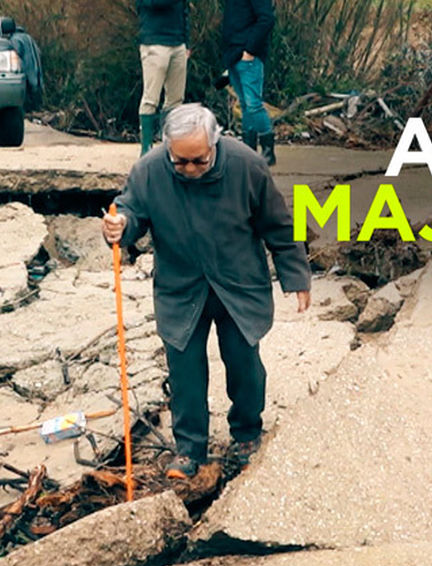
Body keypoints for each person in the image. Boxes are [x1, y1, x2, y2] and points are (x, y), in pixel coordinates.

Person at [101, 104, 310, 479]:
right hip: (181, 287)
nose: (190, 169)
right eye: (180, 162)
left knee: (244, 363)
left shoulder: (247, 165)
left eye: (199, 160)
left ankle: (246, 435)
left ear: (215, 144)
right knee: (185, 371)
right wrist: (119, 227)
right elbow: (130, 213)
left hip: (238, 283)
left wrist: (296, 277)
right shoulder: (149, 170)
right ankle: (189, 448)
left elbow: (278, 224)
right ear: (167, 148)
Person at [221, 0, 276, 165]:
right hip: (233, 54)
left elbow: (267, 19)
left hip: (249, 57)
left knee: (253, 104)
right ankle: (248, 150)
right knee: (245, 104)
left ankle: (268, 151)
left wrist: (250, 50)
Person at [136, 0, 189, 155]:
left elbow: (184, 11)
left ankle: (170, 146)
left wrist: (187, 41)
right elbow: (154, 4)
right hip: (154, 42)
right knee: (150, 99)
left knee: (176, 99)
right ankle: (146, 149)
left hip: (178, 44)